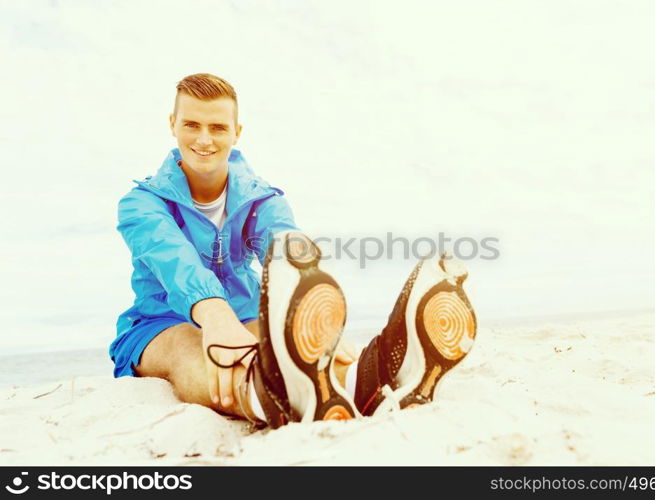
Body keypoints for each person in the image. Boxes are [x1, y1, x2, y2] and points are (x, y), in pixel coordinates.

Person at [110, 73, 477, 428]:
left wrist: (319, 324)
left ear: (237, 133)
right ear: (173, 124)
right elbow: (173, 258)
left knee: (293, 351)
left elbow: (286, 246)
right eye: (192, 124)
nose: (204, 138)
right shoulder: (141, 203)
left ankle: (371, 381)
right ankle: (265, 398)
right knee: (191, 346)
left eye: (218, 127)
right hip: (159, 323)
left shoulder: (260, 198)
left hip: (244, 314)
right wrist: (215, 316)